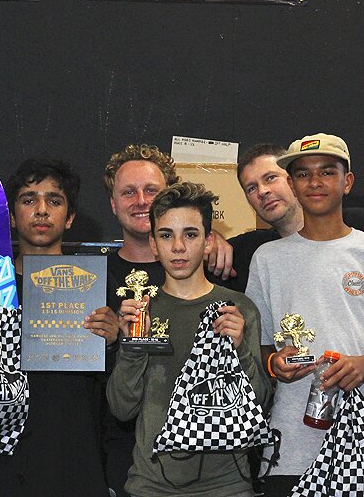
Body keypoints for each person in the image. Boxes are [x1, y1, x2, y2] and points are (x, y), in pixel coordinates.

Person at [232, 143, 364, 496]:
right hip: (290, 451)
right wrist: (273, 364)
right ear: (293, 183)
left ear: (347, 182)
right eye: (303, 173)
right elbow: (261, 348)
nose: (314, 182)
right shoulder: (266, 258)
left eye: (327, 172)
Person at [0, 158, 118, 497]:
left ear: (70, 217)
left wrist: (112, 341)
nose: (41, 210)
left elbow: (115, 395)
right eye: (29, 199)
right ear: (10, 215)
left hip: (71, 458)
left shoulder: (94, 286)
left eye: (54, 200)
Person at [108, 182, 270, 496]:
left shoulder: (238, 309)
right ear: (153, 244)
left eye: (191, 234)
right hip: (151, 486)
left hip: (227, 487)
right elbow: (122, 408)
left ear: (208, 241)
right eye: (166, 235)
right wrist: (131, 347)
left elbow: (259, 403)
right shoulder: (141, 311)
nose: (178, 247)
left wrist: (240, 352)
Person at [100, 143, 236, 495]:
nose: (141, 201)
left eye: (151, 190)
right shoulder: (92, 278)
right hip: (122, 453)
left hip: (209, 463)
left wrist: (213, 240)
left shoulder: (211, 271)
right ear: (113, 204)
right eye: (128, 192)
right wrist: (114, 341)